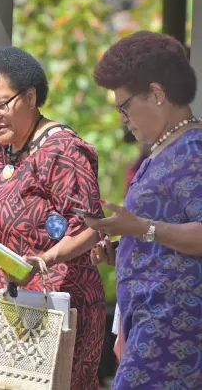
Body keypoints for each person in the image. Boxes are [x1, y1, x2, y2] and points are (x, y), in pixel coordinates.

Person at [0, 46, 106, 390]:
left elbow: (91, 228)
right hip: (12, 309)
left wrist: (47, 258)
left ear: (30, 96)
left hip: (63, 310)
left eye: (1, 104)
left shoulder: (63, 150)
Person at [85, 31, 202, 390]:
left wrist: (141, 229)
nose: (122, 118)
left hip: (173, 334)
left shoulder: (193, 150)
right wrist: (125, 252)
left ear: (156, 93)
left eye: (123, 106)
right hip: (151, 327)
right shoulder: (165, 150)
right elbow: (163, 234)